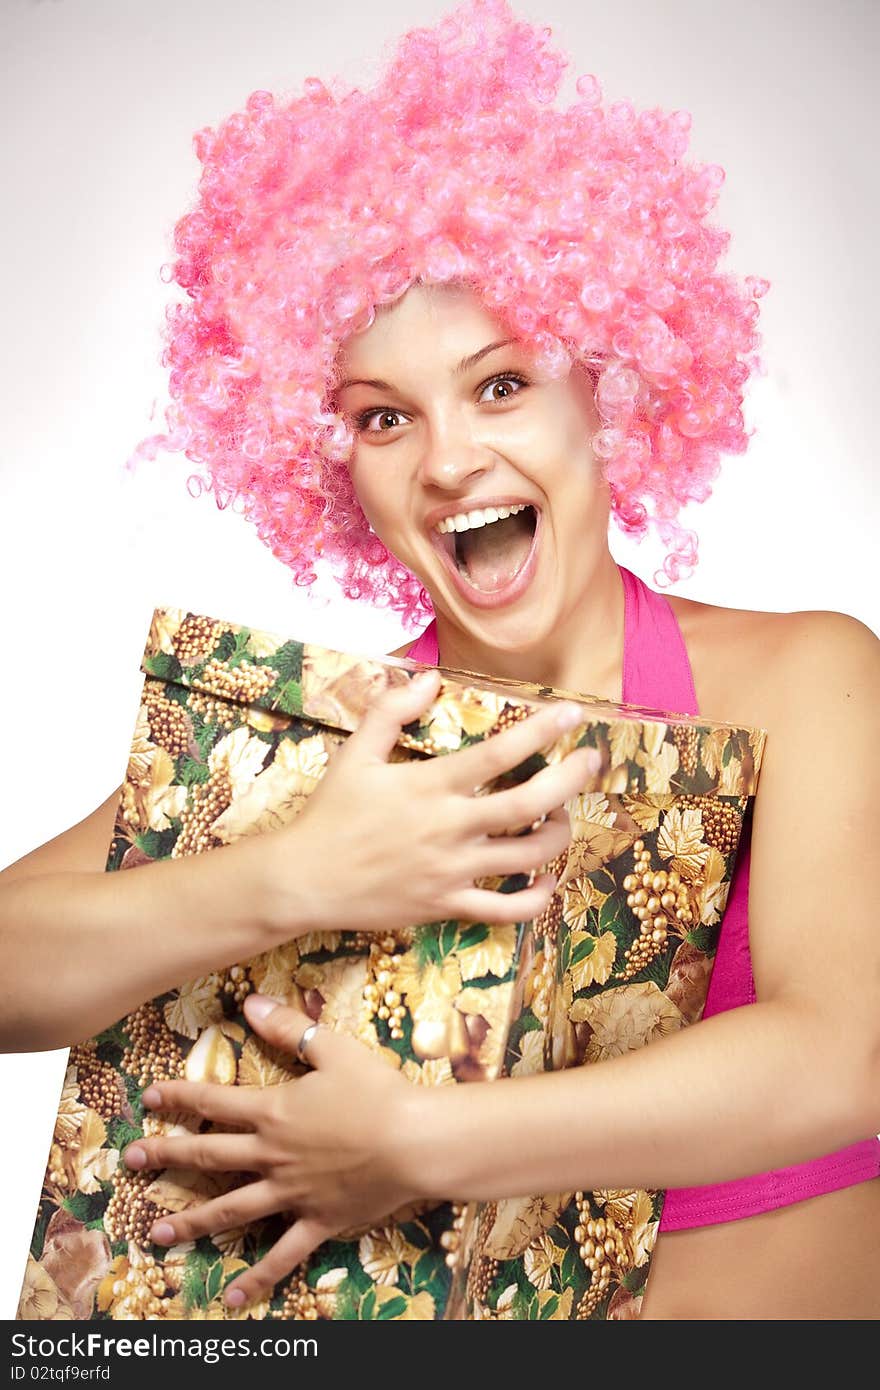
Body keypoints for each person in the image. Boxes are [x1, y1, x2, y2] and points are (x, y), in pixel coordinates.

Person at [6, 0, 879, 1321]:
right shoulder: (334, 743)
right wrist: (296, 872)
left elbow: (841, 1056)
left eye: (501, 384)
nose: (451, 459)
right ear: (331, 462)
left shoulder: (804, 677)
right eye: (381, 416)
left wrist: (416, 1145)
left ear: (609, 383)